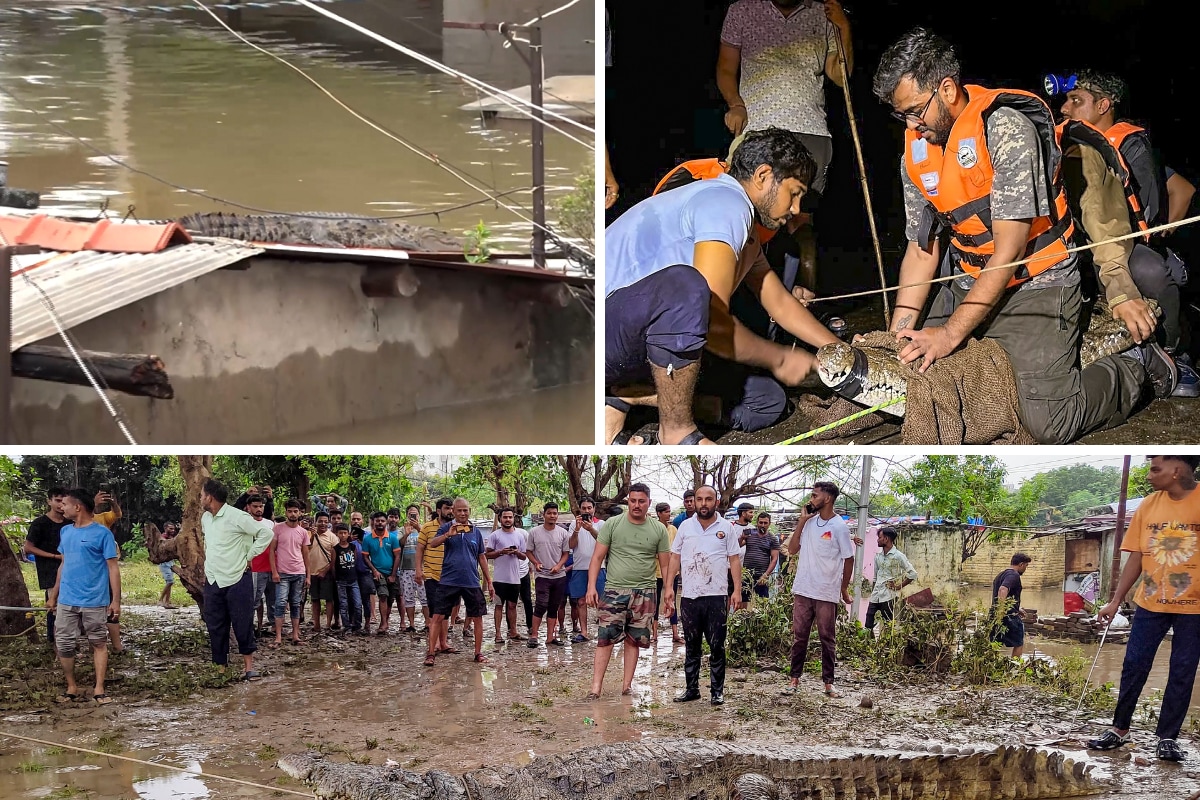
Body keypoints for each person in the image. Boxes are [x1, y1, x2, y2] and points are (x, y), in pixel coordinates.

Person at [871, 27, 1174, 444]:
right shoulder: (917, 151)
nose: (911, 124)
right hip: (967, 280)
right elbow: (922, 251)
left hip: (1037, 281)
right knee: (914, 370)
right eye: (901, 114)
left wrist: (949, 334)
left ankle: (1137, 365)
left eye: (916, 110)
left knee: (1047, 424)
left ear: (947, 88)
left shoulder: (1007, 129)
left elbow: (1010, 252)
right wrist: (898, 331)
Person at [604, 128, 840, 445]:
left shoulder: (748, 234)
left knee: (768, 400)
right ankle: (676, 431)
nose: (796, 209)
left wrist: (836, 350)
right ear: (763, 175)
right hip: (599, 334)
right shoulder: (725, 201)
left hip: (643, 341)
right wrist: (780, 359)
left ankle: (628, 398)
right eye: (794, 193)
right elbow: (710, 317)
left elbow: (779, 303)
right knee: (690, 290)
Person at [1056, 70, 1197, 395]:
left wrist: (1158, 235)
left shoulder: (1130, 146)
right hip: (1085, 248)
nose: (1065, 109)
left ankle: (1176, 354)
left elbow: (1182, 190)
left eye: (1076, 101)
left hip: (1120, 247)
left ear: (1104, 104)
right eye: (1066, 100)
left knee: (1149, 267)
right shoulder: (1072, 146)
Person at [718, 0, 852, 294]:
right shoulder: (742, 9)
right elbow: (726, 69)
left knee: (800, 225)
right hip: (757, 131)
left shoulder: (823, 12)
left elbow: (840, 75)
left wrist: (842, 27)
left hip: (810, 131)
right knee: (744, 218)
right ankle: (740, 305)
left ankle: (800, 305)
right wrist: (735, 104)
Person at [1089, 455, 1200, 762]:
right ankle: (1119, 729)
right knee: (1134, 663)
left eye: (1156, 468)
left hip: (1195, 608)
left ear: (1177, 471)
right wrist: (1115, 600)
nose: (1150, 475)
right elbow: (1136, 557)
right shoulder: (1148, 506)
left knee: (1182, 670)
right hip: (1150, 602)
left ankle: (1167, 738)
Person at [586, 484, 670, 698]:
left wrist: (668, 591)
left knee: (634, 640)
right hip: (614, 590)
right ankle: (595, 688)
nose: (636, 505)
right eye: (633, 501)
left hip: (646, 592)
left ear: (648, 503)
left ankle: (627, 686)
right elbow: (596, 558)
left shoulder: (659, 529)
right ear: (628, 502)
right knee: (605, 639)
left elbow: (666, 565)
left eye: (641, 501)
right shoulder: (613, 524)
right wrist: (591, 587)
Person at [662, 485, 741, 705]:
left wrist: (736, 589)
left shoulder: (726, 528)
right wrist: (668, 587)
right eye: (699, 499)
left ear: (716, 502)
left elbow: (734, 559)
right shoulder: (685, 527)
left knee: (717, 645)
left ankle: (717, 691)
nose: (703, 504)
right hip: (689, 597)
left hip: (717, 596)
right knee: (692, 645)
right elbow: (675, 558)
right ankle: (692, 689)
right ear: (694, 502)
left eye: (708, 499)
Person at [47, 488, 119, 704]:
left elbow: (113, 568)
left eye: (65, 504)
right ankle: (71, 686)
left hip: (95, 600)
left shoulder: (103, 533)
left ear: (77, 507)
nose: (62, 507)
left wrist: (115, 601)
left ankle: (99, 688)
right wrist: (54, 595)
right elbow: (63, 564)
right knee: (64, 644)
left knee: (98, 642)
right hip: (67, 600)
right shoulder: (65, 532)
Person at [199, 479, 273, 680]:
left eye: (202, 495)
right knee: (215, 624)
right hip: (213, 579)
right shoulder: (206, 518)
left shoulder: (237, 516)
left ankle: (248, 668)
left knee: (243, 622)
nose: (200, 499)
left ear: (210, 497)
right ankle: (220, 668)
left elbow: (265, 533)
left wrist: (249, 555)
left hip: (237, 577)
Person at [786, 481, 853, 698]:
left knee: (827, 637)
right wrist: (801, 522)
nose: (811, 499)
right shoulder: (809, 522)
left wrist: (843, 588)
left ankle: (828, 683)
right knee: (799, 637)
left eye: (815, 496)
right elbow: (793, 550)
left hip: (826, 591)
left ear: (828, 499)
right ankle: (794, 680)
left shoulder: (839, 527)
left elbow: (848, 559)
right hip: (803, 589)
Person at [428, 498, 493, 663]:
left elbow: (481, 557)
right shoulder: (446, 527)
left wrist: (489, 581)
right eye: (459, 511)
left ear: (469, 510)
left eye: (465, 510)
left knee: (478, 617)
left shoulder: (476, 532)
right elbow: (433, 544)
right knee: (437, 616)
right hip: (448, 580)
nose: (463, 513)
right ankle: (430, 653)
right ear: (454, 512)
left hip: (471, 581)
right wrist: (446, 535)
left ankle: (478, 653)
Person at [24, 486, 68, 648]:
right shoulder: (39, 524)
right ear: (49, 501)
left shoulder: (70, 522)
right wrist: (55, 556)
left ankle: (65, 641)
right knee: (54, 605)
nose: (61, 505)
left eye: (64, 501)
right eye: (57, 500)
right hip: (49, 569)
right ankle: (56, 644)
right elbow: (28, 548)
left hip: (70, 570)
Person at [527, 502, 571, 648]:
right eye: (549, 513)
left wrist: (558, 566)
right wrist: (536, 563)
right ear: (543, 514)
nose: (552, 516)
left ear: (557, 515)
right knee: (541, 604)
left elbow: (566, 553)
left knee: (554, 606)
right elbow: (529, 551)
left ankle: (550, 637)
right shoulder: (534, 532)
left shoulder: (563, 533)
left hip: (559, 576)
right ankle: (534, 635)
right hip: (542, 575)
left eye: (555, 513)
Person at [418, 498, 455, 666]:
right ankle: (433, 647)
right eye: (447, 508)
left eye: (452, 508)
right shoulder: (427, 527)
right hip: (431, 574)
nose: (451, 511)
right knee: (435, 612)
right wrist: (418, 570)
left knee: (446, 611)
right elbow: (420, 549)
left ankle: (444, 643)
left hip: (449, 576)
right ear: (439, 510)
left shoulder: (456, 527)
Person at [864, 527, 918, 636]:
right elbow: (875, 577)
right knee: (868, 624)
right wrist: (873, 591)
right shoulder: (878, 556)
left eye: (880, 538)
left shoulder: (898, 556)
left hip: (889, 596)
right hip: (876, 595)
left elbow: (913, 574)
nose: (877, 540)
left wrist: (898, 587)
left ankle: (887, 649)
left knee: (888, 625)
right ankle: (870, 648)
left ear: (886, 539)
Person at [271, 499, 310, 647]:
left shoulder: (303, 532)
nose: (293, 514)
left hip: (299, 572)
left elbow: (306, 555)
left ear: (300, 512)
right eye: (290, 511)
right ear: (286, 512)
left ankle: (295, 635)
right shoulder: (278, 529)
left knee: (295, 604)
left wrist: (308, 576)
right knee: (280, 603)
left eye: (295, 511)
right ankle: (278, 637)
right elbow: (271, 551)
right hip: (282, 573)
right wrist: (274, 572)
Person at [486, 507, 528, 643]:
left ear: (513, 518)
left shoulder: (520, 536)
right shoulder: (495, 536)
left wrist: (516, 553)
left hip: (515, 579)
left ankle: (513, 631)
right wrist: (501, 552)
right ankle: (498, 634)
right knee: (498, 605)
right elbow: (487, 554)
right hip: (499, 578)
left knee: (512, 606)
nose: (508, 519)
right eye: (505, 517)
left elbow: (524, 556)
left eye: (510, 517)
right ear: (500, 519)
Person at [568, 497, 604, 643]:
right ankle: (584, 632)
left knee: (601, 601)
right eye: (584, 508)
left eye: (589, 508)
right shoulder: (573, 524)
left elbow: (604, 541)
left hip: (599, 567)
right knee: (581, 601)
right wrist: (577, 529)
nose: (587, 511)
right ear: (580, 510)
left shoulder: (602, 524)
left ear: (594, 509)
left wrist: (591, 529)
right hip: (580, 567)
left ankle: (604, 632)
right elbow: (571, 545)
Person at [240, 494, 276, 634]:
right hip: (254, 566)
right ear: (248, 508)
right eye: (255, 506)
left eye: (261, 506)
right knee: (254, 599)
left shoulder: (269, 523)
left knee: (272, 598)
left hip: (271, 565)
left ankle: (268, 625)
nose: (258, 509)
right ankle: (249, 626)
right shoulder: (244, 524)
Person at [361, 511, 400, 635]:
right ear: (373, 522)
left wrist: (393, 575)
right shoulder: (367, 539)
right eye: (377, 521)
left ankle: (385, 621)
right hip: (378, 573)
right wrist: (374, 570)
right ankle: (383, 623)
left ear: (386, 522)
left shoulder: (393, 538)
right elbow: (365, 557)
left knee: (390, 599)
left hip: (392, 572)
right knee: (383, 596)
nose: (379, 523)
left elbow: (397, 556)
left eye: (382, 521)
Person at [991, 553, 1032, 658]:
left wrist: (1016, 608)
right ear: (1021, 564)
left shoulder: (1000, 575)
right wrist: (1002, 611)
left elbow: (1004, 594)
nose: (1025, 569)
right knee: (1018, 643)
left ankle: (990, 666)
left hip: (994, 615)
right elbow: (1003, 589)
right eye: (1026, 566)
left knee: (994, 643)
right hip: (1008, 617)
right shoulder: (1013, 575)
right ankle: (1014, 668)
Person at [306, 512, 338, 633]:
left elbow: (335, 557)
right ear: (315, 522)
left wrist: (325, 570)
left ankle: (328, 624)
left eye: (325, 521)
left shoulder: (332, 537)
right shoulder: (308, 535)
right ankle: (317, 624)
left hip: (327, 572)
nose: (323, 524)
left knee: (329, 599)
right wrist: (313, 536)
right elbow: (306, 548)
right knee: (315, 599)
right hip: (312, 572)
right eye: (320, 521)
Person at [654, 502, 681, 643]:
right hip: (656, 571)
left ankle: (675, 633)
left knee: (672, 600)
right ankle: (654, 634)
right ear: (659, 513)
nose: (668, 514)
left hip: (672, 571)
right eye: (666, 512)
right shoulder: (654, 528)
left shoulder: (673, 529)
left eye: (669, 511)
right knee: (656, 601)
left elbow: (677, 549)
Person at [399, 505, 429, 634]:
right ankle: (411, 624)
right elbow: (399, 544)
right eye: (411, 514)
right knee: (408, 598)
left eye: (415, 514)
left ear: (418, 515)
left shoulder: (423, 529)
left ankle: (428, 622)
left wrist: (418, 528)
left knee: (424, 597)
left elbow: (429, 541)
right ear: (406, 515)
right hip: (406, 568)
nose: (413, 516)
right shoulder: (402, 529)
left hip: (422, 569)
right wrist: (406, 533)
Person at [742, 512, 782, 604]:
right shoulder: (750, 534)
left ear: (769, 524)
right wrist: (741, 538)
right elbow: (737, 546)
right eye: (760, 522)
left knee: (762, 603)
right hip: (747, 574)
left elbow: (774, 559)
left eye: (765, 523)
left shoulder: (772, 538)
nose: (762, 525)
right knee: (743, 602)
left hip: (761, 575)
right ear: (757, 523)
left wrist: (765, 575)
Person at [331, 523, 363, 634]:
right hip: (341, 581)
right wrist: (336, 579)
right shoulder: (335, 549)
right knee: (343, 604)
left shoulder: (353, 547)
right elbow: (333, 565)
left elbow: (355, 561)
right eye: (341, 533)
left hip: (353, 579)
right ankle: (347, 626)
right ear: (337, 534)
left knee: (358, 604)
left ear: (348, 534)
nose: (343, 535)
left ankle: (357, 626)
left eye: (345, 533)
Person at [157, 521, 179, 609]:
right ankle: (160, 600)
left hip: (170, 562)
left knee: (169, 582)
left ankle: (167, 602)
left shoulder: (171, 537)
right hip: (164, 562)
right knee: (170, 581)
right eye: (170, 528)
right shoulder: (163, 538)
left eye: (173, 528)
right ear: (165, 528)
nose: (173, 530)